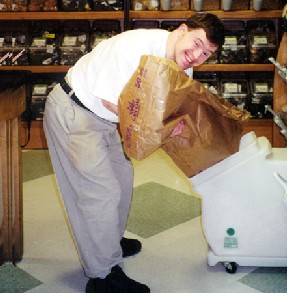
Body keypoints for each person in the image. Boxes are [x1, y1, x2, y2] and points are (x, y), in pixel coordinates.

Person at [43, 12, 225, 293]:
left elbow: (175, 105)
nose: (197, 56)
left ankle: (108, 241)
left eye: (207, 54)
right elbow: (116, 102)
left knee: (122, 178)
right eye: (197, 43)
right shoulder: (135, 47)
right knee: (98, 192)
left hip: (105, 119)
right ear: (182, 29)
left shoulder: (181, 64)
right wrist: (163, 126)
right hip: (76, 112)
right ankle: (102, 276)